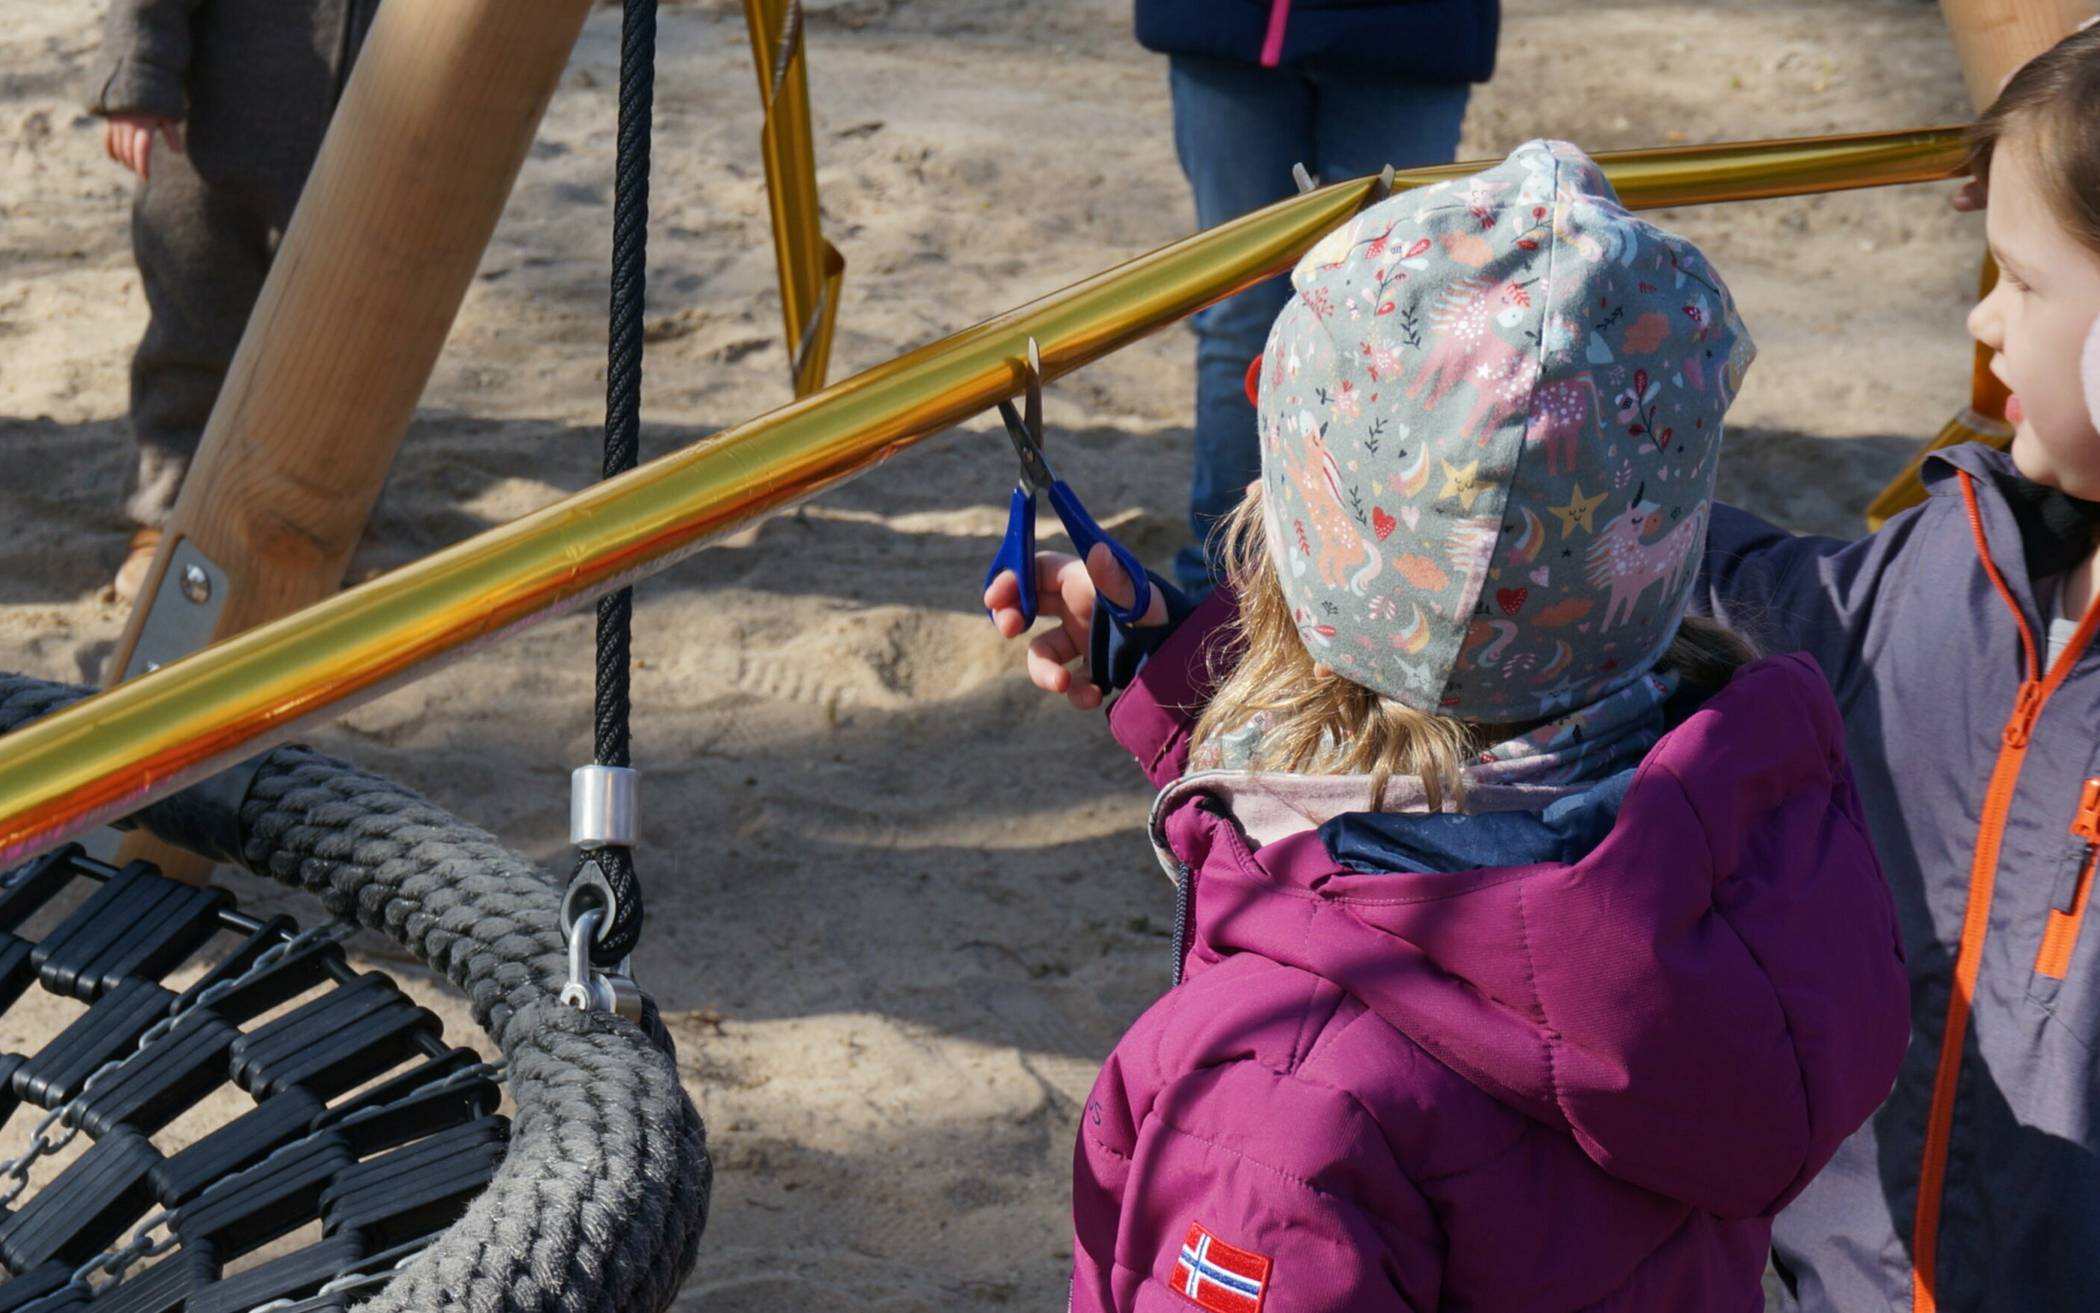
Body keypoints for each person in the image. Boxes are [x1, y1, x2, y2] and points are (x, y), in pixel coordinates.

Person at [986, 140, 1910, 1311]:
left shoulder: (1284, 1095)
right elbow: (1476, 855)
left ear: (1301, 547)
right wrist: (1181, 667)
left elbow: (1377, 873)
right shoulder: (1731, 849)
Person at [1689, 25, 2100, 1312]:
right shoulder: (1936, 577)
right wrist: (1179, 632)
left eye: (2024, 284)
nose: (1983, 318)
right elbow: (1644, 590)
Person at [1135, 0, 1499, 597]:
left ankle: (1374, 591)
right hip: (1223, 28)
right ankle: (1221, 593)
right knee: (1238, 315)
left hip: (1413, 33)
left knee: (1392, 318)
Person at [87, 0, 378, 601]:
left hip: (371, 135)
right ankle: (168, 513)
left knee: (350, 346)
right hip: (205, 148)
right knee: (197, 335)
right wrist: (138, 82)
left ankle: (337, 523)